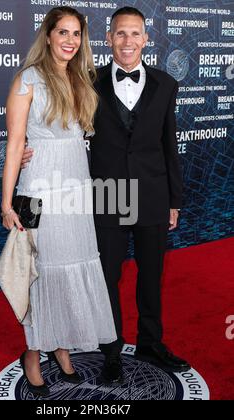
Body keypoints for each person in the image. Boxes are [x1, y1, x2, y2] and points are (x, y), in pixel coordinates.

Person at [22, 6, 191, 384]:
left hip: (151, 194)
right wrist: (24, 149)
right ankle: (110, 350)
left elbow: (169, 144)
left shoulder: (166, 84)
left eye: (135, 34)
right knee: (106, 278)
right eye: (120, 34)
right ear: (109, 38)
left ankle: (151, 343)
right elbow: (51, 121)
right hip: (106, 195)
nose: (127, 41)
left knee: (152, 276)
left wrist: (174, 200)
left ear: (147, 39)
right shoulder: (85, 81)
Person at [1, 6, 116, 396]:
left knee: (72, 268)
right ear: (47, 35)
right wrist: (6, 203)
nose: (70, 40)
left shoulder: (82, 80)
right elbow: (16, 145)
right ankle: (33, 353)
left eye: (76, 34)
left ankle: (62, 349)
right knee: (42, 272)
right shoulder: (28, 79)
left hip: (77, 190)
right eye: (62, 32)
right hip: (39, 190)